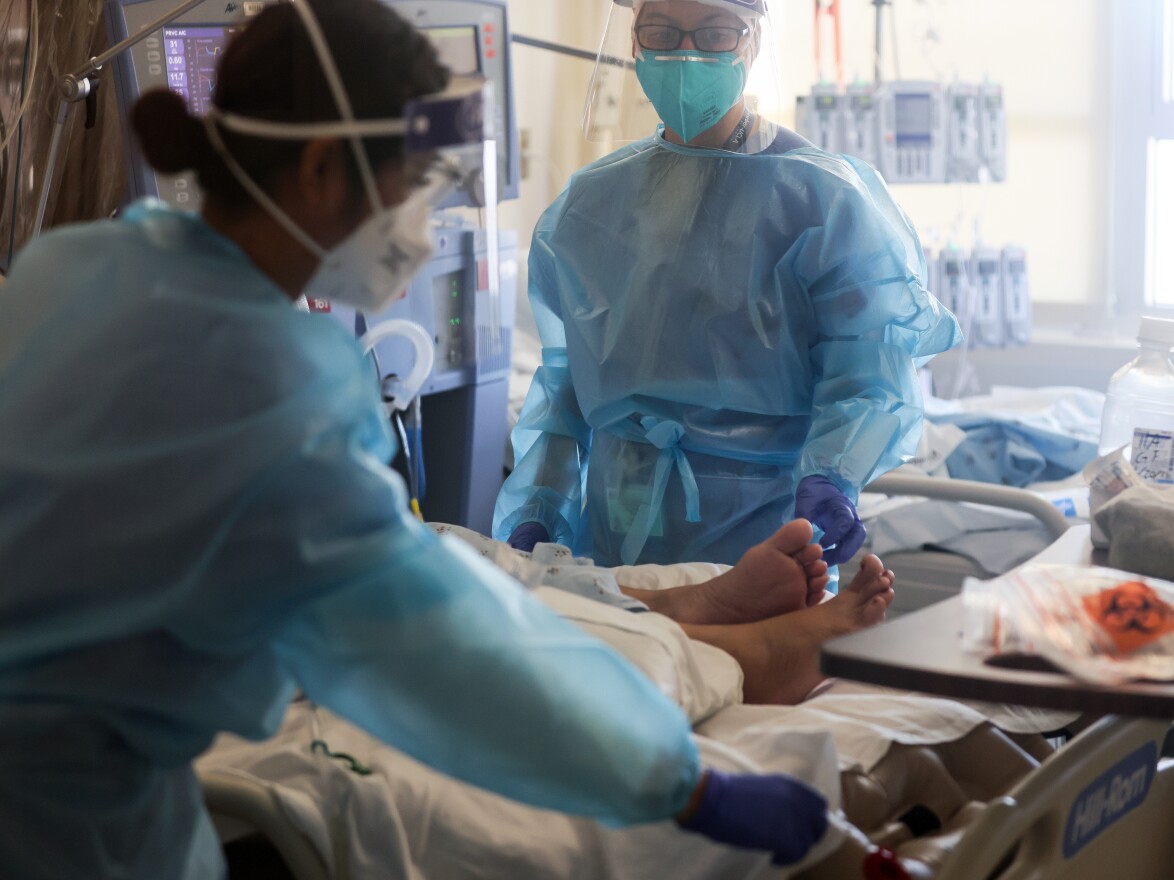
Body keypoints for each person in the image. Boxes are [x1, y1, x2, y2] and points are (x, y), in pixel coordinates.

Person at [0, 2, 906, 877]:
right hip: (64, 822)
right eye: (413, 190)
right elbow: (441, 652)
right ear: (322, 171)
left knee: (524, 582)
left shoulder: (71, 268)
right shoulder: (267, 389)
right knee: (508, 591)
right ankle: (726, 638)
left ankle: (692, 619)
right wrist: (683, 788)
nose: (419, 227)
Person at [494, 0, 964, 577]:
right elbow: (564, 391)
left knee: (751, 663)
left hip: (768, 539)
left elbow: (867, 372)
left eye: (714, 33)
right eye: (662, 33)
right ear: (636, 44)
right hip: (615, 544)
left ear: (751, 43)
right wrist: (541, 505)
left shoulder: (821, 201)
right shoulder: (590, 206)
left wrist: (831, 476)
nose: (685, 54)